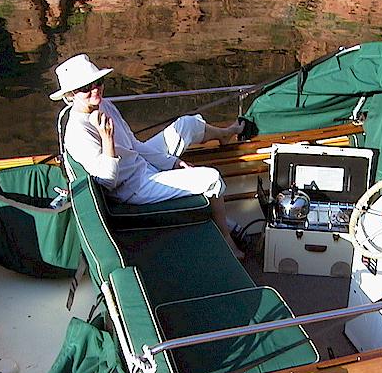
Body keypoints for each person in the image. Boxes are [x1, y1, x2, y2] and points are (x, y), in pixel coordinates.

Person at [50, 53, 246, 259]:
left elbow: (134, 145)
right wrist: (107, 139)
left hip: (140, 164)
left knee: (187, 125)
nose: (95, 89)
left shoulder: (104, 105)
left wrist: (173, 162)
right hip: (132, 187)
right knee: (211, 178)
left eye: (98, 82)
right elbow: (108, 182)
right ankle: (227, 239)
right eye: (85, 88)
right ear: (71, 94)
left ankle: (225, 134)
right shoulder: (78, 133)